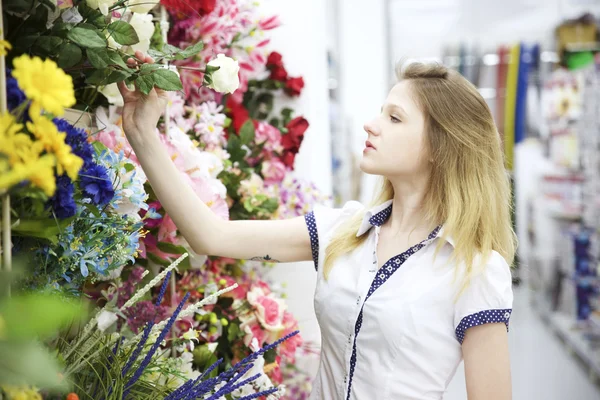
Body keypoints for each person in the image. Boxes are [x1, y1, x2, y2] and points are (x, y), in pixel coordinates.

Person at [119, 51, 515, 400]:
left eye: (394, 118)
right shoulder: (344, 230)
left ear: (440, 148)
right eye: (381, 111)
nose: (371, 125)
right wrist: (141, 131)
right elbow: (210, 235)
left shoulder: (474, 270)